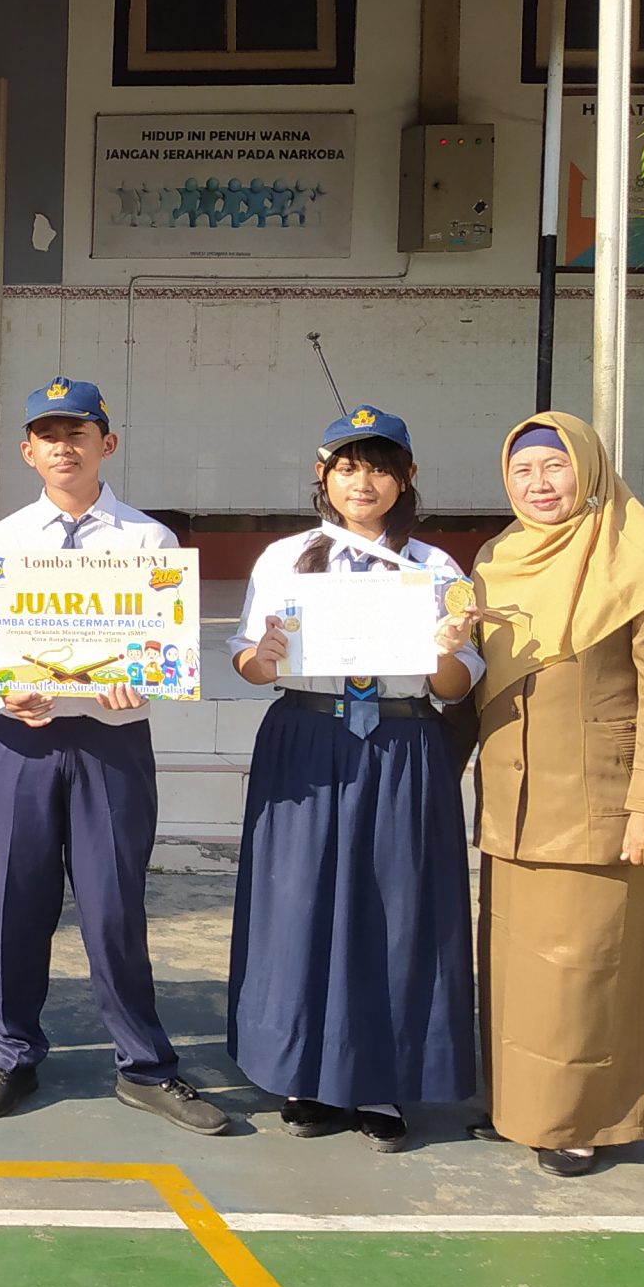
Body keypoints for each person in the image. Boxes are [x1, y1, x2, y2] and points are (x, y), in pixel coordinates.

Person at [0, 376, 227, 1134]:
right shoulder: (2, 542)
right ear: (27, 452)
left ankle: (144, 1064)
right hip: (23, 739)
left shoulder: (149, 542)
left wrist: (139, 682)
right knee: (16, 902)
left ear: (106, 443)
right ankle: (9, 1054)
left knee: (114, 906)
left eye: (77, 433)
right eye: (48, 436)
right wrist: (3, 693)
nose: (63, 447)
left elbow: (165, 650)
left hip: (111, 742)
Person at [227, 405, 480, 1151]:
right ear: (323, 475)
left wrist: (447, 649)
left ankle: (382, 1079)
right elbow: (246, 659)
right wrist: (263, 657)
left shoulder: (435, 568)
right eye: (346, 466)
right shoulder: (286, 559)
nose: (361, 482)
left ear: (407, 476)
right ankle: (304, 1072)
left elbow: (458, 685)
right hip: (307, 737)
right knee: (298, 904)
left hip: (401, 741)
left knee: (395, 908)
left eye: (378, 467)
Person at [472, 411, 644, 1177]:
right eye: (522, 471)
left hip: (599, 802)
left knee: (586, 973)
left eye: (555, 466)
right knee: (516, 968)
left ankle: (581, 1121)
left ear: (591, 468)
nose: (538, 484)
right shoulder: (500, 557)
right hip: (514, 799)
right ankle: (521, 1106)